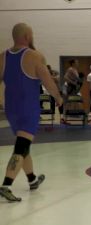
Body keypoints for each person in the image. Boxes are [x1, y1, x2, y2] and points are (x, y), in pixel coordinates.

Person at [0, 23, 63, 202]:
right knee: (21, 147)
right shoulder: (34, 56)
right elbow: (48, 82)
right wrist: (58, 99)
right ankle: (6, 184)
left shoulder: (2, 57)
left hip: (11, 109)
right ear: (27, 36)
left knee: (24, 144)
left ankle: (32, 180)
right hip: (28, 108)